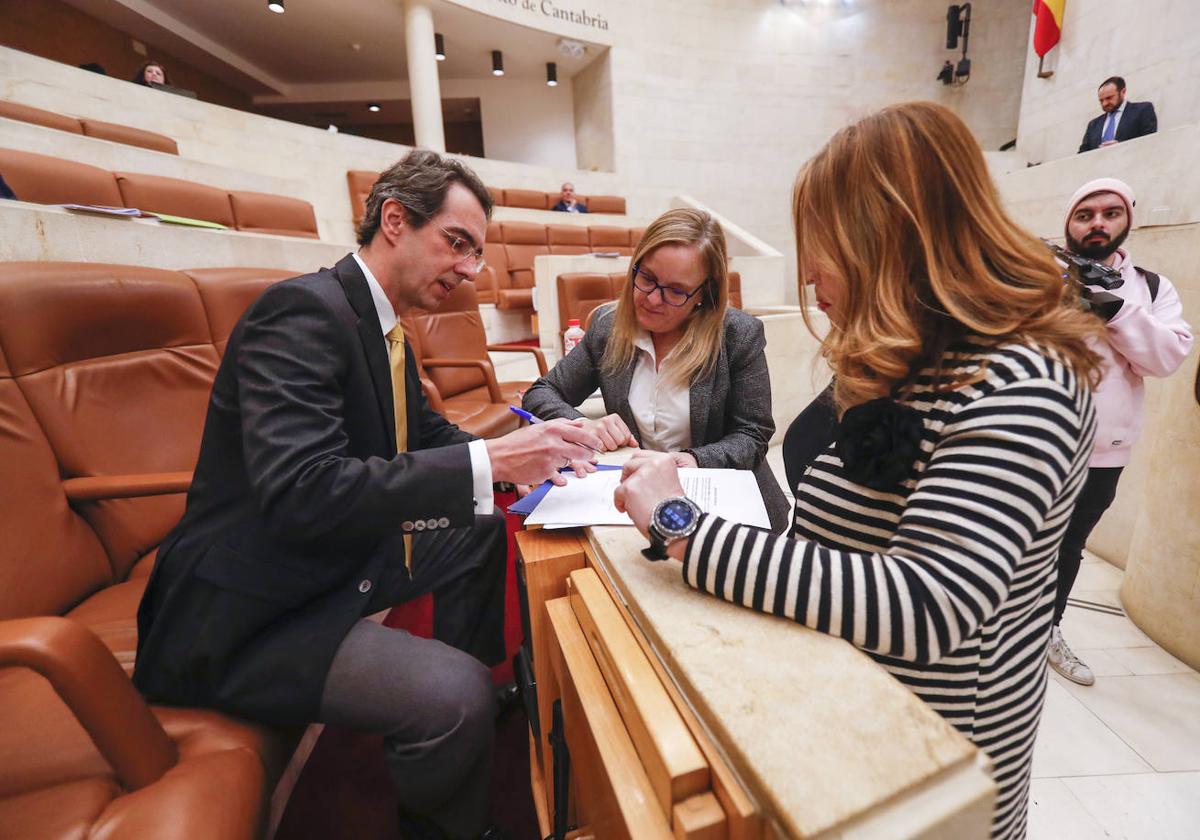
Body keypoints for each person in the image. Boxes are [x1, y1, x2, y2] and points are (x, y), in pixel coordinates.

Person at [614, 102, 1105, 840]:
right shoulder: (911, 355)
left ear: (896, 237)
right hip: (850, 718)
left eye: (826, 245)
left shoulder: (1023, 380)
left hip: (930, 758)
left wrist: (685, 528)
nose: (810, 272)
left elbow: (930, 600)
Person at [133, 149, 602, 840]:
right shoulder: (299, 313)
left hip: (325, 564)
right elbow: (302, 491)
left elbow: (430, 431)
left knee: (478, 526)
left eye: (477, 251)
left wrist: (526, 462)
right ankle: (449, 806)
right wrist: (490, 460)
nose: (472, 270)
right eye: (458, 244)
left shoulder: (381, 325)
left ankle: (469, 698)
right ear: (393, 220)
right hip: (253, 613)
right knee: (451, 697)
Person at [523, 207, 790, 532]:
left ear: (705, 293)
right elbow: (542, 392)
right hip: (641, 503)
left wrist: (693, 460)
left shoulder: (738, 335)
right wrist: (581, 426)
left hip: (729, 508)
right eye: (647, 278)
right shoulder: (608, 328)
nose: (651, 298)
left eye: (676, 291)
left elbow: (753, 434)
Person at [1047, 177, 1193, 685]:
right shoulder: (1037, 272)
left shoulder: (1151, 288)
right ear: (1069, 220)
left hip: (1100, 454)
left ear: (1127, 219)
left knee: (1067, 547)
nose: (1097, 224)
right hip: (1027, 442)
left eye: (1110, 213)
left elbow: (1166, 357)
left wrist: (1115, 309)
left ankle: (1048, 631)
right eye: (1085, 214)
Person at [1078, 76, 1157, 153]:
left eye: (1109, 98)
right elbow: (1082, 155)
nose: (1105, 103)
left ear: (1123, 92)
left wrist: (1120, 147)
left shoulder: (1142, 110)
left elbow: (1150, 142)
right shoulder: (1093, 125)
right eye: (1101, 100)